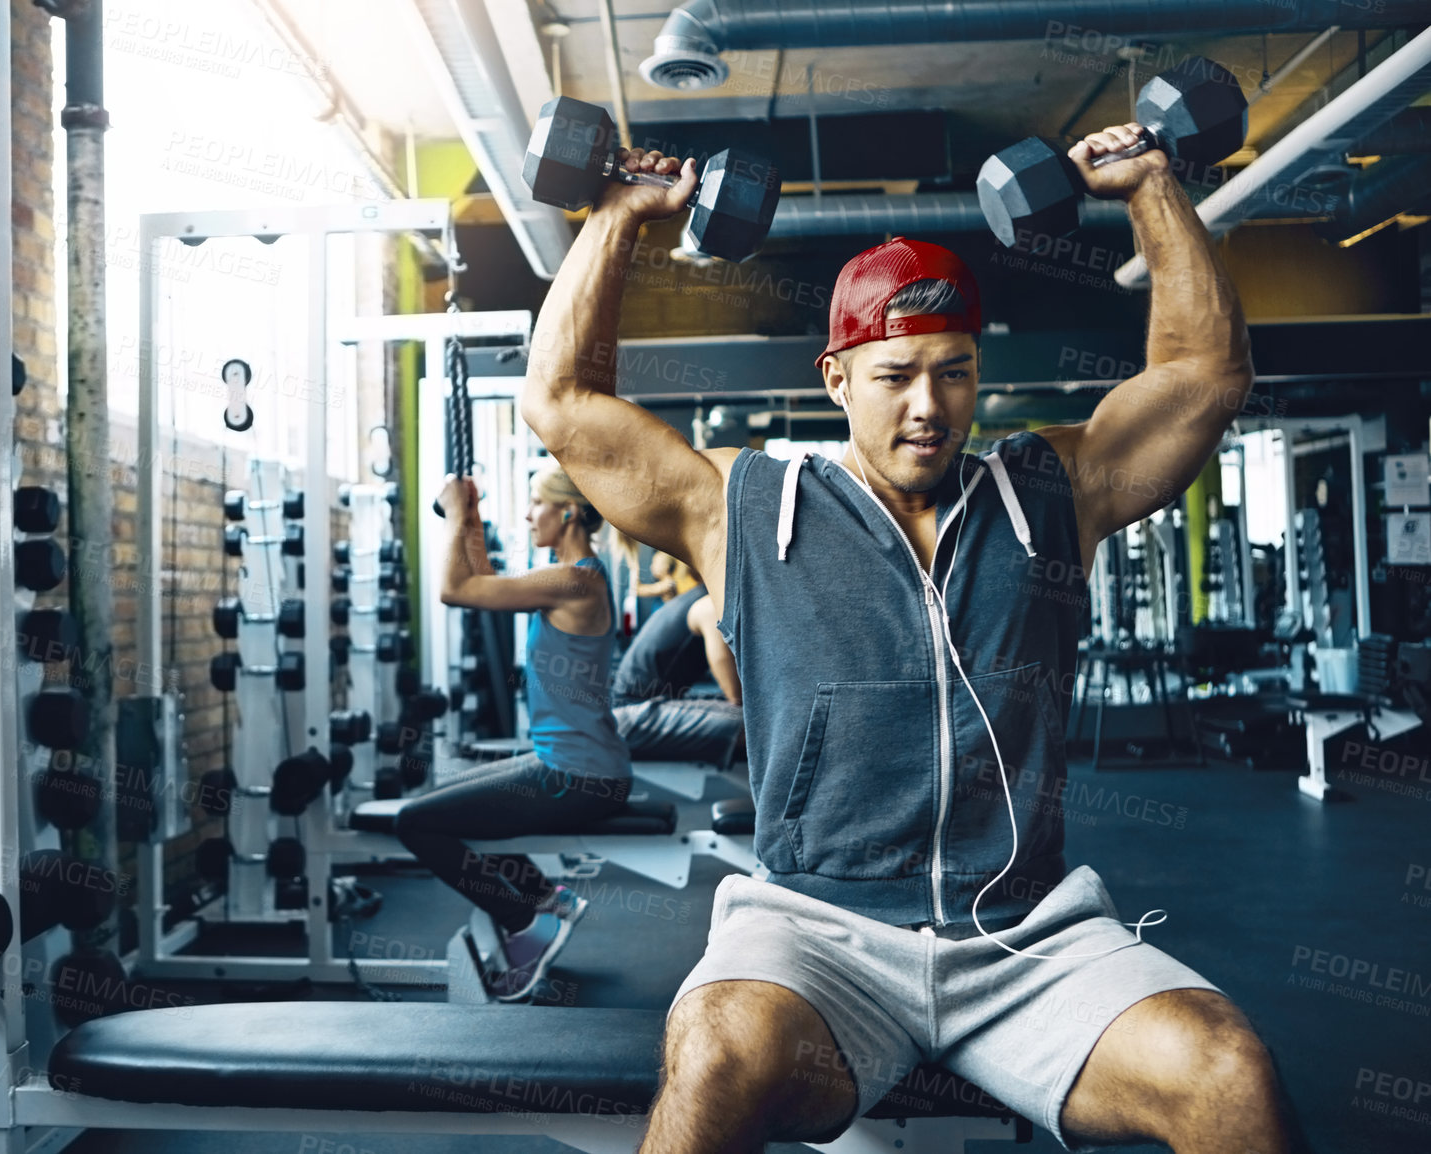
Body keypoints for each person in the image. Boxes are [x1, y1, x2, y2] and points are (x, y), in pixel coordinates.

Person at [520, 124, 1308, 1153]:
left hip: (1026, 936)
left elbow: (1203, 375)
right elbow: (564, 402)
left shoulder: (1049, 490)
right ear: (836, 376)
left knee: (1226, 1070)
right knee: (714, 1053)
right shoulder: (745, 504)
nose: (928, 406)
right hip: (816, 931)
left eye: (953, 371)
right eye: (894, 375)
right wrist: (620, 216)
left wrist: (1151, 184)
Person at [391, 465, 632, 1002]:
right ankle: (548, 897)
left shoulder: (575, 581)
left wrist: (457, 511)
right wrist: (469, 516)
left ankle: (528, 923)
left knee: (415, 823)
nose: (526, 516)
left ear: (567, 511)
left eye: (535, 504)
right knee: (441, 802)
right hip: (571, 764)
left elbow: (455, 590)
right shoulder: (568, 574)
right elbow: (478, 583)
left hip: (578, 776)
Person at [608, 577, 744, 764]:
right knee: (753, 722)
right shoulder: (709, 605)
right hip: (633, 714)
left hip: (645, 705)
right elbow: (736, 695)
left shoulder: (699, 596)